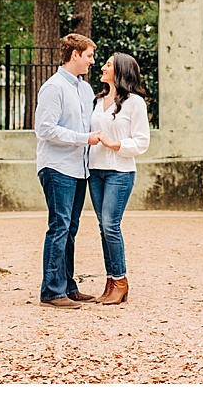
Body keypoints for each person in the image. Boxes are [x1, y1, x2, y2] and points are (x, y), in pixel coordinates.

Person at [34, 33, 101, 308]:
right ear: (75, 55)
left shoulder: (84, 89)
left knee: (70, 228)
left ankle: (68, 286)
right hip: (57, 166)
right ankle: (51, 291)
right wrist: (83, 138)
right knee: (59, 226)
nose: (92, 61)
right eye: (88, 56)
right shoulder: (53, 87)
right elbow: (45, 129)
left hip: (78, 168)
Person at [87, 52, 151, 305]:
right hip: (95, 170)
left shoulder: (134, 102)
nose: (102, 67)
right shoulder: (97, 99)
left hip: (119, 172)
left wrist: (116, 144)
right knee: (103, 228)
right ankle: (111, 281)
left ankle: (121, 281)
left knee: (111, 225)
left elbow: (142, 141)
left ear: (120, 71)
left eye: (108, 65)